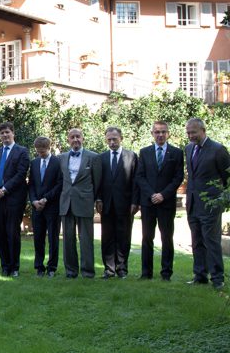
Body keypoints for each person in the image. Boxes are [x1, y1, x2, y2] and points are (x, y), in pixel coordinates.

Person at [184, 118, 229, 289]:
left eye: (193, 132)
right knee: (196, 241)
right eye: (188, 132)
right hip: (193, 204)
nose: (190, 136)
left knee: (211, 242)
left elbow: (227, 178)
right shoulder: (188, 149)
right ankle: (200, 275)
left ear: (203, 130)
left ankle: (217, 279)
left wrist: (219, 200)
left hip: (211, 205)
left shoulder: (218, 150)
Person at [135, 121, 183, 281]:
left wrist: (163, 195)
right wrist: (152, 194)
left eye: (163, 132)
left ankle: (166, 273)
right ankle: (146, 273)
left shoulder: (176, 153)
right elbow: (140, 176)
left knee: (166, 238)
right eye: (157, 132)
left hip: (166, 203)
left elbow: (178, 178)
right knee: (147, 237)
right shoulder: (144, 152)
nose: (160, 135)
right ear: (152, 134)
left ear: (168, 133)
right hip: (148, 203)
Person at [0, 122, 29, 277]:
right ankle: (5, 266)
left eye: (7, 132)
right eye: (2, 133)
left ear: (13, 133)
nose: (5, 135)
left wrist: (4, 190)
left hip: (13, 199)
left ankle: (14, 267)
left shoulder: (22, 151)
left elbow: (20, 174)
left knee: (13, 233)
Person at [58, 128, 102, 279]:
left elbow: (97, 182)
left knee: (86, 239)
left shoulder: (93, 157)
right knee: (68, 240)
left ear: (83, 138)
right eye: (72, 137)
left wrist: (97, 200)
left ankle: (88, 272)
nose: (75, 139)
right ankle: (70, 271)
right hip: (66, 203)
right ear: (68, 139)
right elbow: (60, 181)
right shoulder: (61, 158)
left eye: (78, 137)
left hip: (84, 202)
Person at [97, 127, 139, 279]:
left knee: (123, 236)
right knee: (107, 237)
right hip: (106, 204)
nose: (112, 142)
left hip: (126, 204)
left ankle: (122, 269)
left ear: (121, 138)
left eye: (114, 139)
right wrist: (99, 198)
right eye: (109, 139)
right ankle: (109, 269)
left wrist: (135, 202)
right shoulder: (101, 158)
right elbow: (98, 181)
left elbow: (136, 181)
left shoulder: (131, 156)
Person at [27, 136, 62, 278]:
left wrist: (46, 199)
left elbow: (60, 184)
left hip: (52, 206)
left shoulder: (57, 162)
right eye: (38, 151)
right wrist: (34, 200)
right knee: (38, 238)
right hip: (37, 207)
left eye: (43, 151)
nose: (40, 154)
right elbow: (31, 184)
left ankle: (52, 267)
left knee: (53, 238)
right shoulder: (34, 163)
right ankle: (39, 267)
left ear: (49, 148)